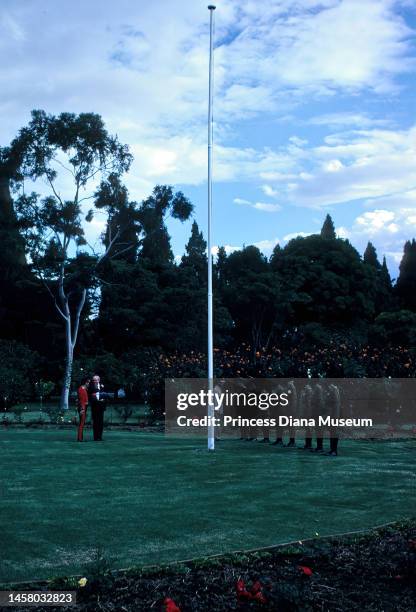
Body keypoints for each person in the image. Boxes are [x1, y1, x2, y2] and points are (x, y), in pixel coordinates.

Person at [89, 374, 108, 441]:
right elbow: (90, 396)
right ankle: (95, 437)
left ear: (98, 380)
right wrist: (96, 399)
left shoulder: (102, 386)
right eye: (93, 380)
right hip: (95, 407)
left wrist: (103, 400)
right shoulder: (91, 387)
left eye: (95, 380)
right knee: (95, 422)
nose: (94, 381)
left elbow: (106, 395)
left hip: (101, 407)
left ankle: (100, 437)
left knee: (100, 422)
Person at [77, 376, 90, 442]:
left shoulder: (83, 389)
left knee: (82, 423)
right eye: (88, 382)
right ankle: (79, 438)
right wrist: (82, 409)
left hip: (84, 406)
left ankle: (80, 437)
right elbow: (82, 400)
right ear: (85, 382)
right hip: (83, 407)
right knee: (81, 423)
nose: (88, 384)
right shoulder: (81, 389)